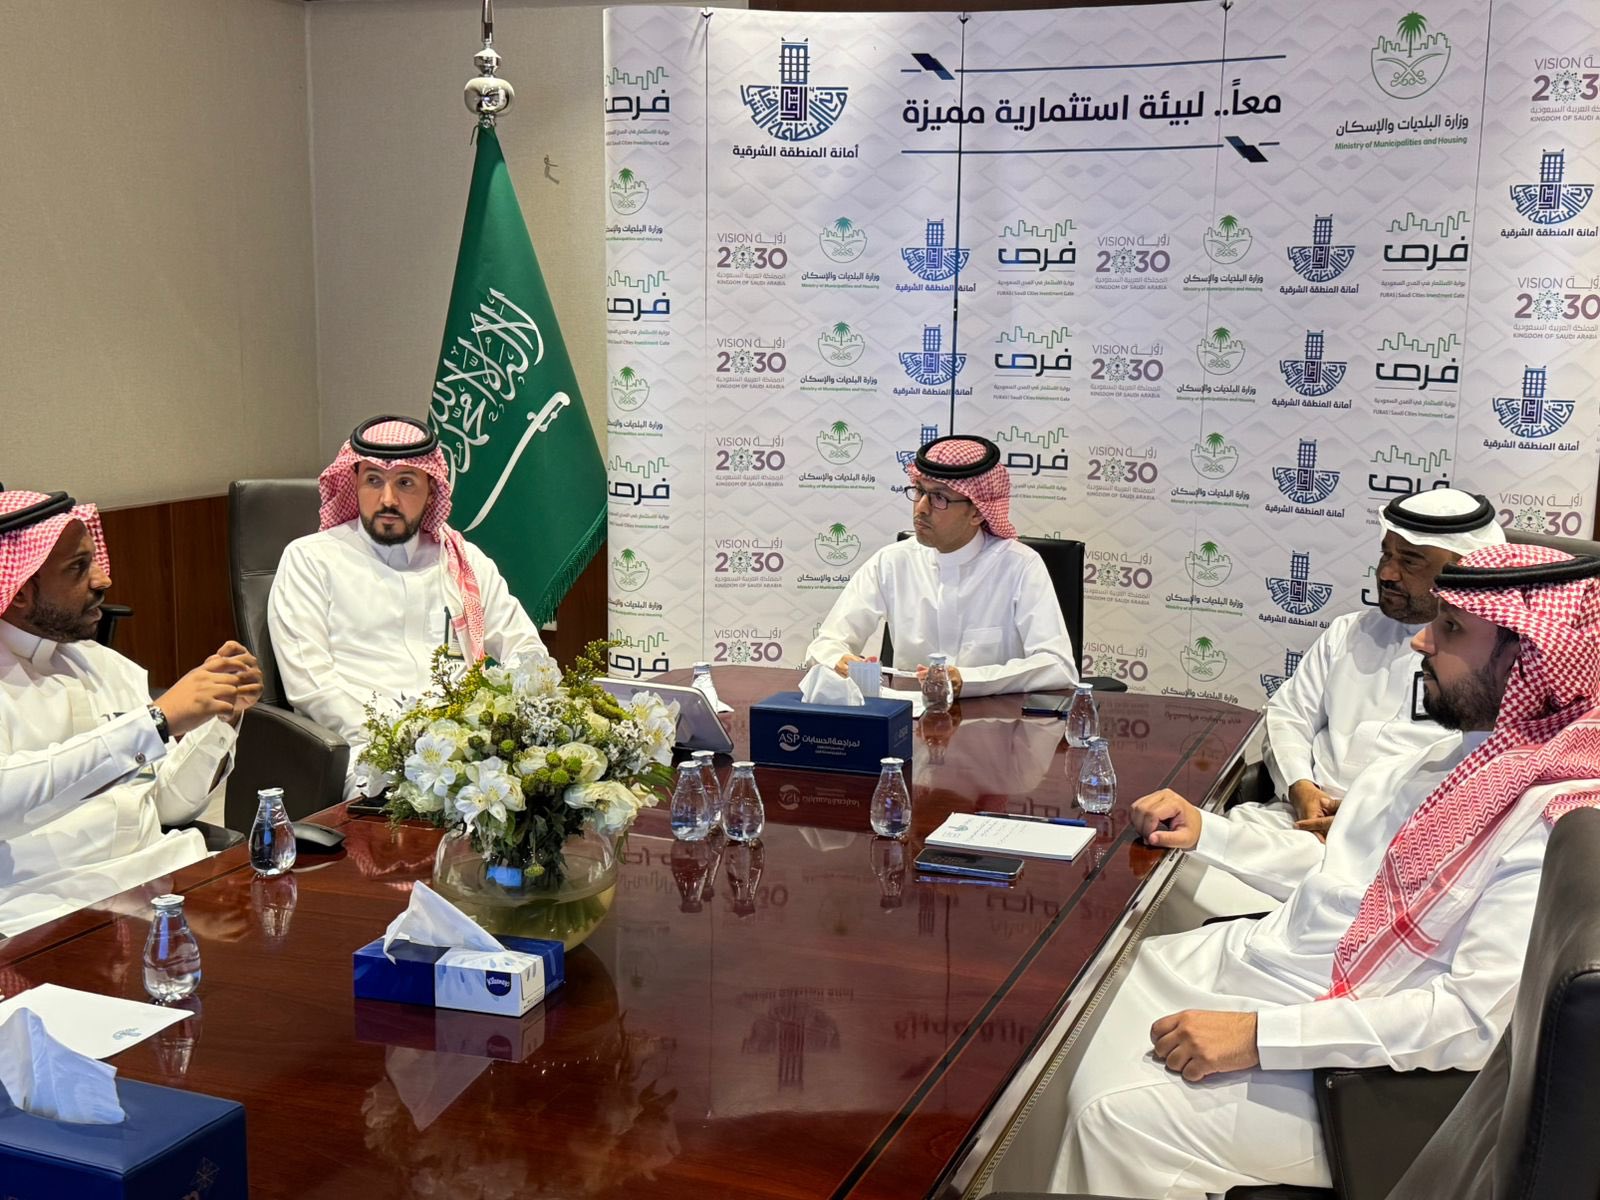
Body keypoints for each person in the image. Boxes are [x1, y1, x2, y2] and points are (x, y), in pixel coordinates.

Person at [1050, 543, 1600, 1199]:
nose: (1422, 640)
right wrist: (1209, 832)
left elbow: (1472, 1020)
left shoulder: (1552, 816)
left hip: (1362, 1074)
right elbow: (1344, 874)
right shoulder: (1460, 756)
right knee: (1070, 1014)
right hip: (1287, 973)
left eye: (1452, 627)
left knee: (1104, 1112)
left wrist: (1259, 1036)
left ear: (1530, 659)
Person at [0, 489, 262, 936]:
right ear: (20, 591)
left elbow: (167, 805)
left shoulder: (107, 666)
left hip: (174, 883)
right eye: (78, 567)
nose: (103, 579)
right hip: (51, 916)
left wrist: (222, 720)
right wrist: (154, 723)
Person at [268, 415, 551, 794]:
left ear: (431, 490)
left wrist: (505, 722)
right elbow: (311, 686)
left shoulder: (462, 561)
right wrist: (404, 738)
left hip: (474, 743)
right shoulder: (311, 559)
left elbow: (526, 650)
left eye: (405, 483)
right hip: (370, 751)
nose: (388, 499)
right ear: (354, 483)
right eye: (373, 480)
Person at [1251, 488, 1506, 835]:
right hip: (1294, 822)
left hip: (1407, 838)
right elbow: (1288, 715)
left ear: (1464, 568)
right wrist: (1299, 787)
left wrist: (1366, 824)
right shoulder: (1348, 631)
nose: (1386, 573)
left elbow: (1483, 775)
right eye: (1386, 555)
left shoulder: (1491, 664)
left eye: (1410, 561)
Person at [803, 435, 1078, 698]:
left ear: (977, 512)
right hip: (909, 721)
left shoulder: (1020, 566)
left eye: (939, 498)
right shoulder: (892, 562)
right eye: (919, 491)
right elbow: (825, 644)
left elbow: (1058, 666)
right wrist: (841, 661)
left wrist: (969, 680)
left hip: (993, 723)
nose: (921, 508)